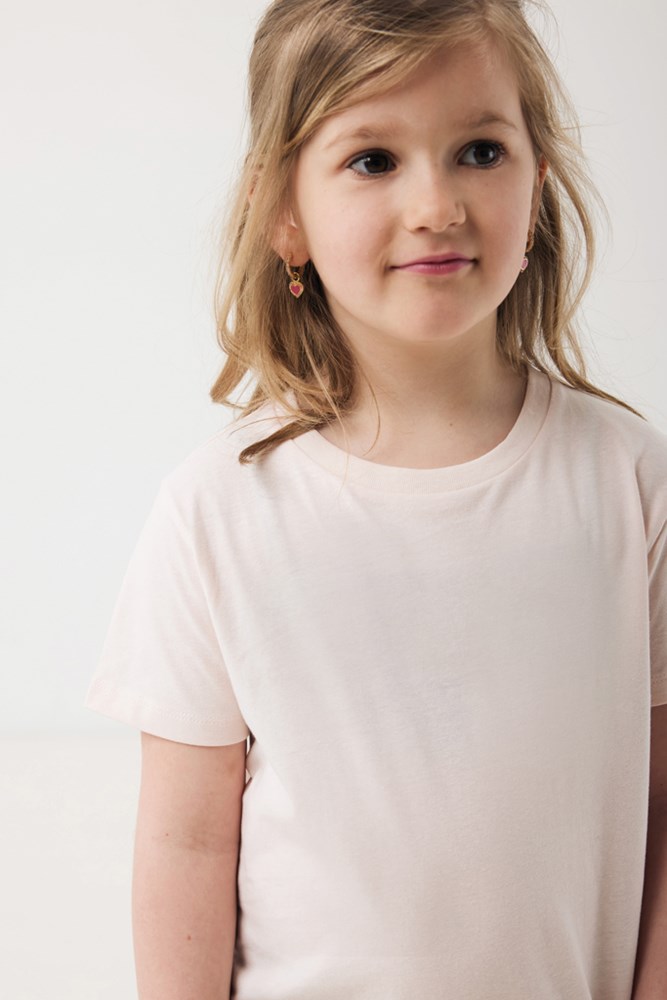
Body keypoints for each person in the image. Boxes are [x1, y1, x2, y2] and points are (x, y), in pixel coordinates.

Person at [84, 1, 667, 998]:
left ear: (538, 182)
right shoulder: (217, 512)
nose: (435, 204)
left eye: (478, 150)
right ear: (285, 215)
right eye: (372, 160)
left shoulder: (629, 482)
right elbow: (186, 842)